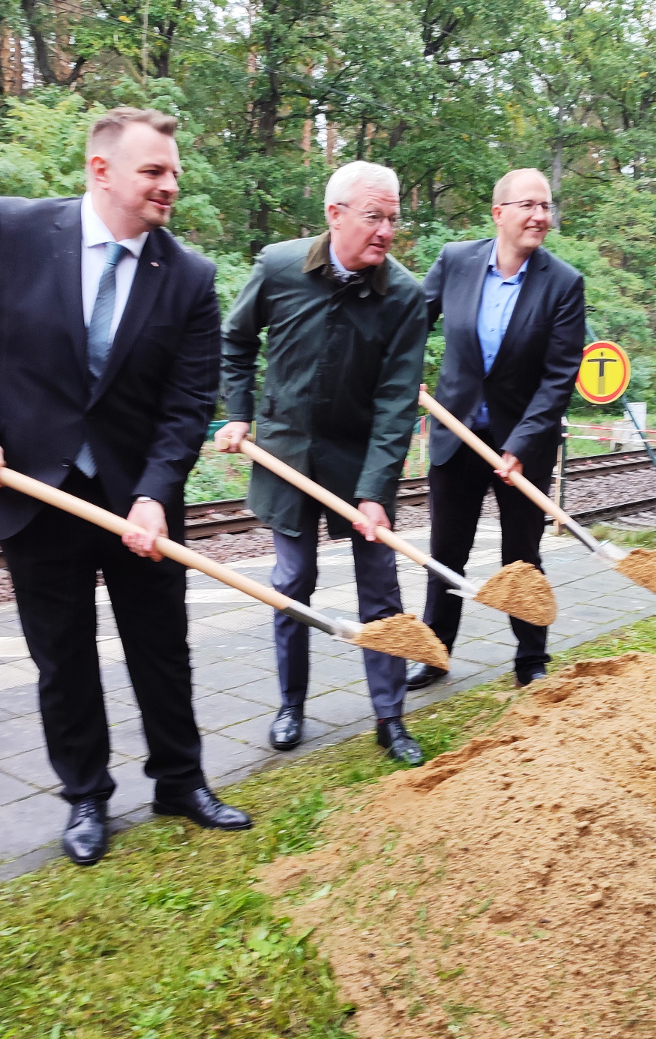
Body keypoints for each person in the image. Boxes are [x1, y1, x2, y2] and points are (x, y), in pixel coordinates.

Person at [0, 107, 250, 867]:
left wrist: (157, 492)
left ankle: (180, 780)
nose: (171, 184)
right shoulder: (11, 232)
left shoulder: (191, 277)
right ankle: (87, 798)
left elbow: (187, 402)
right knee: (63, 656)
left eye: (174, 171)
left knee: (162, 647)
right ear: (101, 170)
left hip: (137, 497)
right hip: (36, 490)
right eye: (154, 171)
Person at [218, 161, 427, 765]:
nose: (386, 230)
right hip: (286, 453)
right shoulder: (279, 267)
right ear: (334, 216)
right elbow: (236, 338)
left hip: (364, 458)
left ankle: (389, 719)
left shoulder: (405, 296)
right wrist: (239, 412)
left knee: (381, 591)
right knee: (292, 585)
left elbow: (396, 402)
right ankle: (291, 705)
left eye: (393, 217)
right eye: (374, 216)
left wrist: (374, 491)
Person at [409, 168, 585, 690]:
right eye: (529, 205)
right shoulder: (456, 261)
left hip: (522, 444)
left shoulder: (563, 283)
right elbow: (412, 320)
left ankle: (531, 660)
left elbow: (558, 381)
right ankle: (435, 653)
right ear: (499, 213)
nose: (540, 216)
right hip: (455, 435)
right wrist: (406, 372)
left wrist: (520, 446)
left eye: (546, 207)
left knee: (522, 557)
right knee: (446, 553)